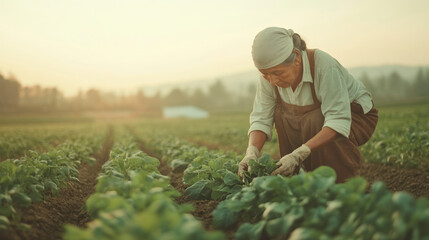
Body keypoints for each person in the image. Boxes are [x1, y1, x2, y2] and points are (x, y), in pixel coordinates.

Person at [237, 27, 378, 183]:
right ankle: (300, 181)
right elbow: (261, 117)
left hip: (354, 115)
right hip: (309, 119)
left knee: (316, 119)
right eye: (265, 74)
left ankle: (342, 184)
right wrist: (251, 152)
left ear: (296, 58)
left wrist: (299, 154)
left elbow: (337, 119)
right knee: (281, 113)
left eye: (278, 73)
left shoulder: (324, 65)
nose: (272, 81)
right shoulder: (269, 77)